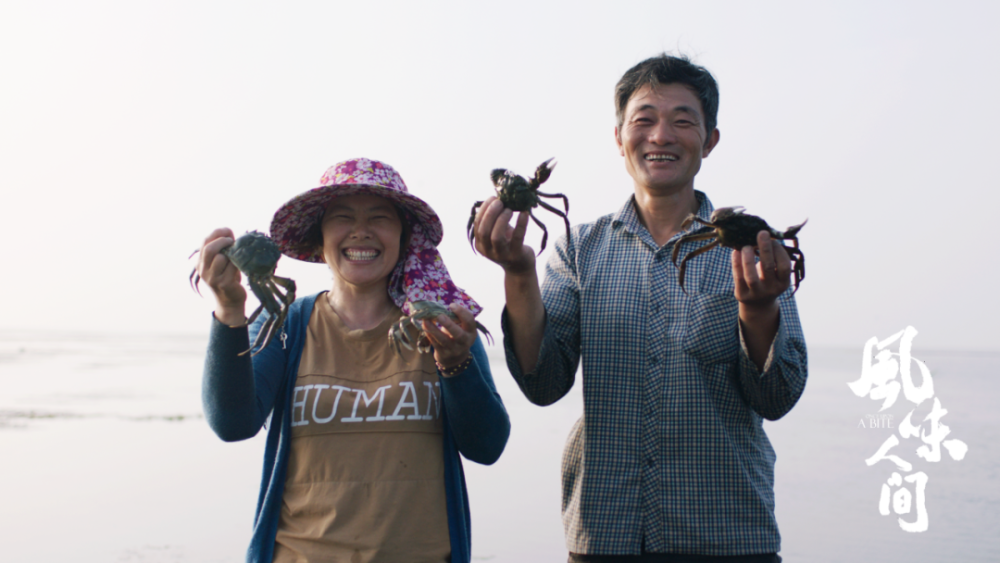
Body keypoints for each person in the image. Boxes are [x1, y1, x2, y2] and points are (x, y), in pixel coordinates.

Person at [471, 54, 807, 562]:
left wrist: (759, 312)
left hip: (729, 536)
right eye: (644, 120)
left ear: (710, 140)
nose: (661, 136)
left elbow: (777, 396)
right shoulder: (576, 249)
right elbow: (543, 384)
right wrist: (518, 274)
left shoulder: (753, 251)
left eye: (682, 121)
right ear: (619, 138)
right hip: (604, 533)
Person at [197, 158, 510, 563]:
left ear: (404, 235)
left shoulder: (441, 321)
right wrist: (229, 312)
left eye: (379, 217)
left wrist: (455, 364)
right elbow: (232, 423)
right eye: (343, 217)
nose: (361, 231)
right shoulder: (288, 323)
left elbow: (488, 446)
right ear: (319, 236)